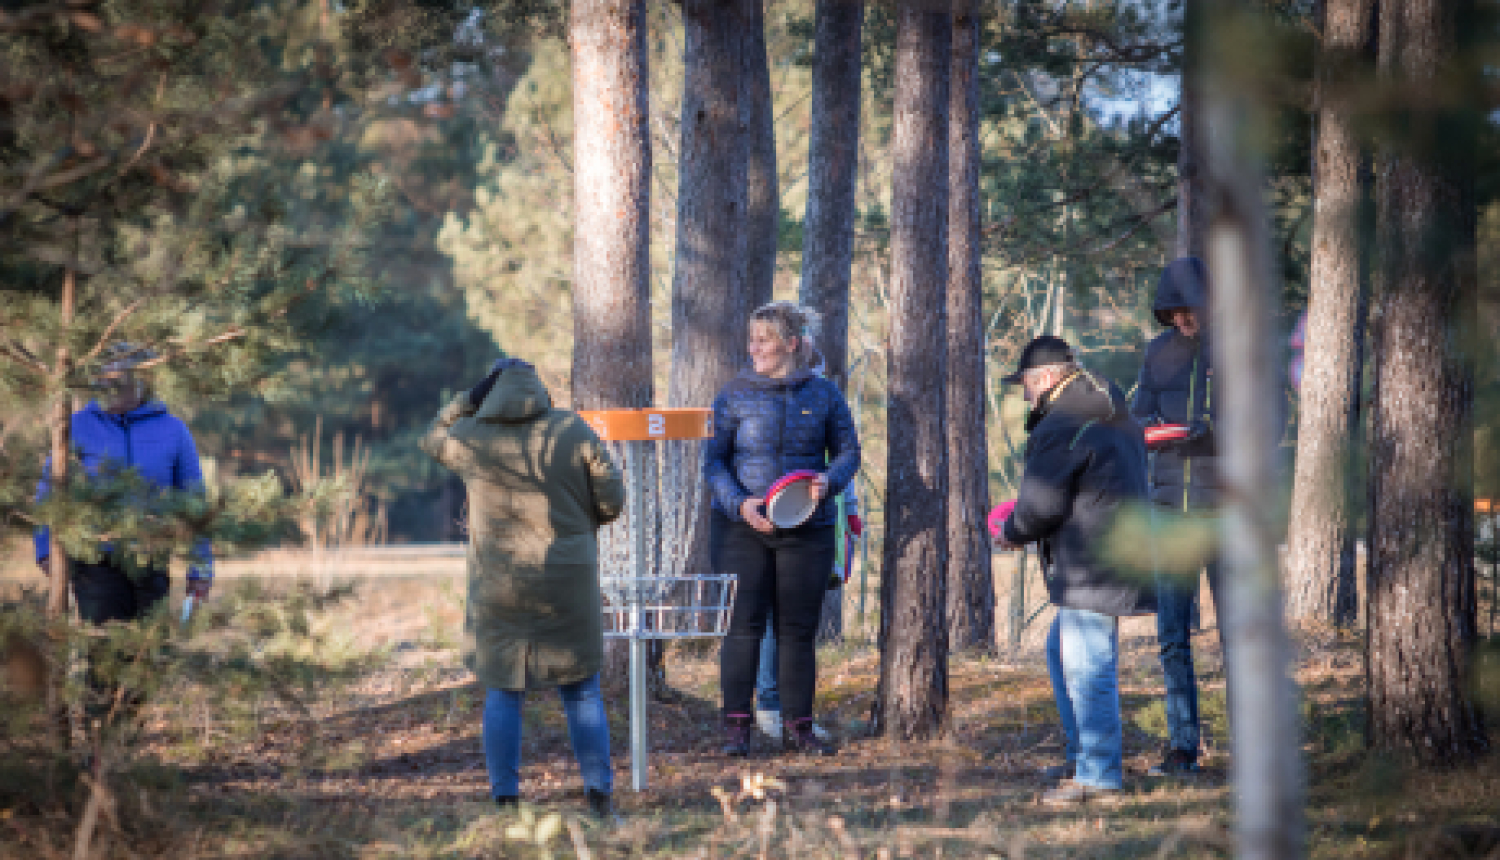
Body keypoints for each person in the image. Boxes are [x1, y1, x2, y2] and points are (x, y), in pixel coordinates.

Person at [420, 357, 625, 818]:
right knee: (582, 689)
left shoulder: (472, 439)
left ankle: (506, 800)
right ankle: (599, 795)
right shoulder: (572, 430)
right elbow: (612, 498)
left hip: (500, 581)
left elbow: (431, 435)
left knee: (503, 690)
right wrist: (584, 521)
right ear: (540, 389)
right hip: (567, 576)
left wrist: (465, 401)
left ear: (488, 392)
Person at [994, 335, 1152, 805]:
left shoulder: (1064, 421)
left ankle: (1099, 777)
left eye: (1025, 383)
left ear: (1045, 377)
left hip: (1092, 560)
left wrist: (1012, 532)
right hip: (1111, 550)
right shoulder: (1105, 407)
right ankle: (1081, 754)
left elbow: (1042, 502)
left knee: (1089, 668)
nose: (1024, 394)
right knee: (1060, 650)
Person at [705, 301, 861, 757]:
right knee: (742, 627)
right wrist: (739, 505)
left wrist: (828, 482)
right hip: (740, 527)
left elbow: (849, 453)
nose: (754, 348)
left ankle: (800, 726)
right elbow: (712, 461)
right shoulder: (732, 394)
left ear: (791, 344)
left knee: (797, 630)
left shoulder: (824, 394)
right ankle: (737, 726)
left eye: (764, 341)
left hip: (807, 528)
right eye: (752, 340)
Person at [34, 343, 214, 714]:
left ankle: (125, 746)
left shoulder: (173, 430)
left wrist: (201, 569)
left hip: (151, 560)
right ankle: (101, 747)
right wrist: (45, 550)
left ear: (141, 382)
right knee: (105, 655)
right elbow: (48, 490)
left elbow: (195, 504)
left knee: (148, 657)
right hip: (95, 560)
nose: (110, 392)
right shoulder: (76, 426)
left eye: (119, 383)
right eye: (104, 383)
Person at [1129, 256, 1221, 777]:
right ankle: (1183, 746)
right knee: (1171, 635)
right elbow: (1139, 412)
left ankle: (1256, 742)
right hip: (1167, 508)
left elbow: (1268, 422)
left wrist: (1211, 435)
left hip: (1220, 507)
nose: (1184, 319)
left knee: (1238, 632)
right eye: (1176, 311)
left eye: (1192, 310)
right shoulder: (1157, 352)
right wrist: (1147, 432)